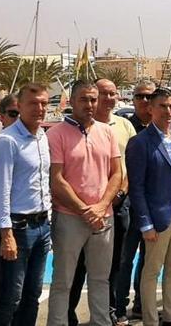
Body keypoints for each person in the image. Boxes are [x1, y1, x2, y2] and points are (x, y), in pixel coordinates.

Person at [46, 80, 122, 326]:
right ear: (72, 100)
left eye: (93, 99)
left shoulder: (107, 131)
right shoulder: (55, 134)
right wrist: (84, 210)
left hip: (104, 217)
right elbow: (56, 179)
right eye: (84, 99)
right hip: (69, 217)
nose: (89, 104)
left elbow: (117, 174)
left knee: (101, 280)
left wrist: (100, 207)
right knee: (62, 282)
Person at [69, 79, 137, 326]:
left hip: (118, 206)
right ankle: (69, 314)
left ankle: (111, 310)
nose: (108, 98)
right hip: (83, 210)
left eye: (112, 93)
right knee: (77, 269)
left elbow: (127, 168)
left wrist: (118, 196)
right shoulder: (77, 128)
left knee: (114, 264)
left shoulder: (124, 125)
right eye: (103, 94)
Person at [125, 88, 171, 326]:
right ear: (151, 109)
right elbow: (137, 188)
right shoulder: (140, 143)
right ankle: (151, 320)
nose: (169, 111)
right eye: (163, 106)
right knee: (152, 271)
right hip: (159, 217)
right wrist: (146, 224)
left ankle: (170, 317)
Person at [0, 83, 52, 326]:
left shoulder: (42, 137)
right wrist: (6, 234)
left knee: (33, 295)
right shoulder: (7, 140)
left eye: (44, 103)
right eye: (33, 104)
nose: (39, 108)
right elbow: (0, 190)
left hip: (42, 226)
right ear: (21, 105)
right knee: (11, 297)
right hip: (18, 228)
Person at [116, 81, 157, 322]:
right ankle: (120, 307)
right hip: (129, 204)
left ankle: (142, 303)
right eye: (139, 96)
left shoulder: (162, 128)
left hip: (154, 205)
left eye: (148, 96)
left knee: (148, 260)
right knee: (125, 258)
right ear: (133, 100)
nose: (144, 100)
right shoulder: (125, 127)